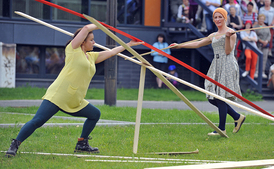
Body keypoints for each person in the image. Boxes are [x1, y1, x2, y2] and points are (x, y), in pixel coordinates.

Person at [5, 24, 143, 157]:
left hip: (76, 99)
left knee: (95, 114)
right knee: (38, 121)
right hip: (59, 95)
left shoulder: (91, 57)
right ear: (82, 41)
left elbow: (111, 52)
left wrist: (129, 44)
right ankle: (15, 145)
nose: (94, 42)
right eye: (91, 40)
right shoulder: (73, 50)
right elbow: (86, 28)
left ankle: (82, 144)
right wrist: (100, 25)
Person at [170, 8, 245, 136]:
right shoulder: (213, 35)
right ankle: (237, 117)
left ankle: (221, 128)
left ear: (225, 18)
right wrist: (180, 45)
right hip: (216, 64)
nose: (217, 20)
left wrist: (227, 38)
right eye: (215, 17)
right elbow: (198, 44)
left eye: (220, 17)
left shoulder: (231, 33)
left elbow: (228, 51)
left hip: (227, 64)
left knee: (219, 96)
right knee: (211, 97)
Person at [254, 14, 271, 78]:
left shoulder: (266, 27)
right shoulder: (255, 26)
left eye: (262, 19)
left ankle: (262, 72)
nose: (261, 20)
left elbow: (269, 35)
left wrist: (266, 41)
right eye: (260, 19)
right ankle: (257, 71)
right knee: (258, 58)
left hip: (266, 45)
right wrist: (261, 40)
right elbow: (254, 35)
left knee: (264, 58)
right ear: (258, 19)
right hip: (259, 45)